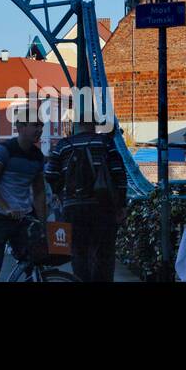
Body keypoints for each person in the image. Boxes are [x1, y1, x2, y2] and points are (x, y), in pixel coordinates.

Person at [44, 118, 128, 282]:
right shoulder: (105, 142)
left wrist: (61, 193)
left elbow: (50, 175)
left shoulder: (63, 145)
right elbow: (119, 174)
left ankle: (80, 280)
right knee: (104, 253)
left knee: (78, 253)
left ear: (77, 126)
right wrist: (121, 205)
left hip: (73, 207)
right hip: (103, 207)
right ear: (94, 124)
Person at [0, 114, 48, 282]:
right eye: (35, 125)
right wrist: (6, 208)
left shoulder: (38, 157)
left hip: (22, 217)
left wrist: (44, 223)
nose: (39, 130)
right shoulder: (3, 150)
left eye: (41, 126)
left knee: (33, 262)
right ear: (20, 127)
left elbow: (39, 192)